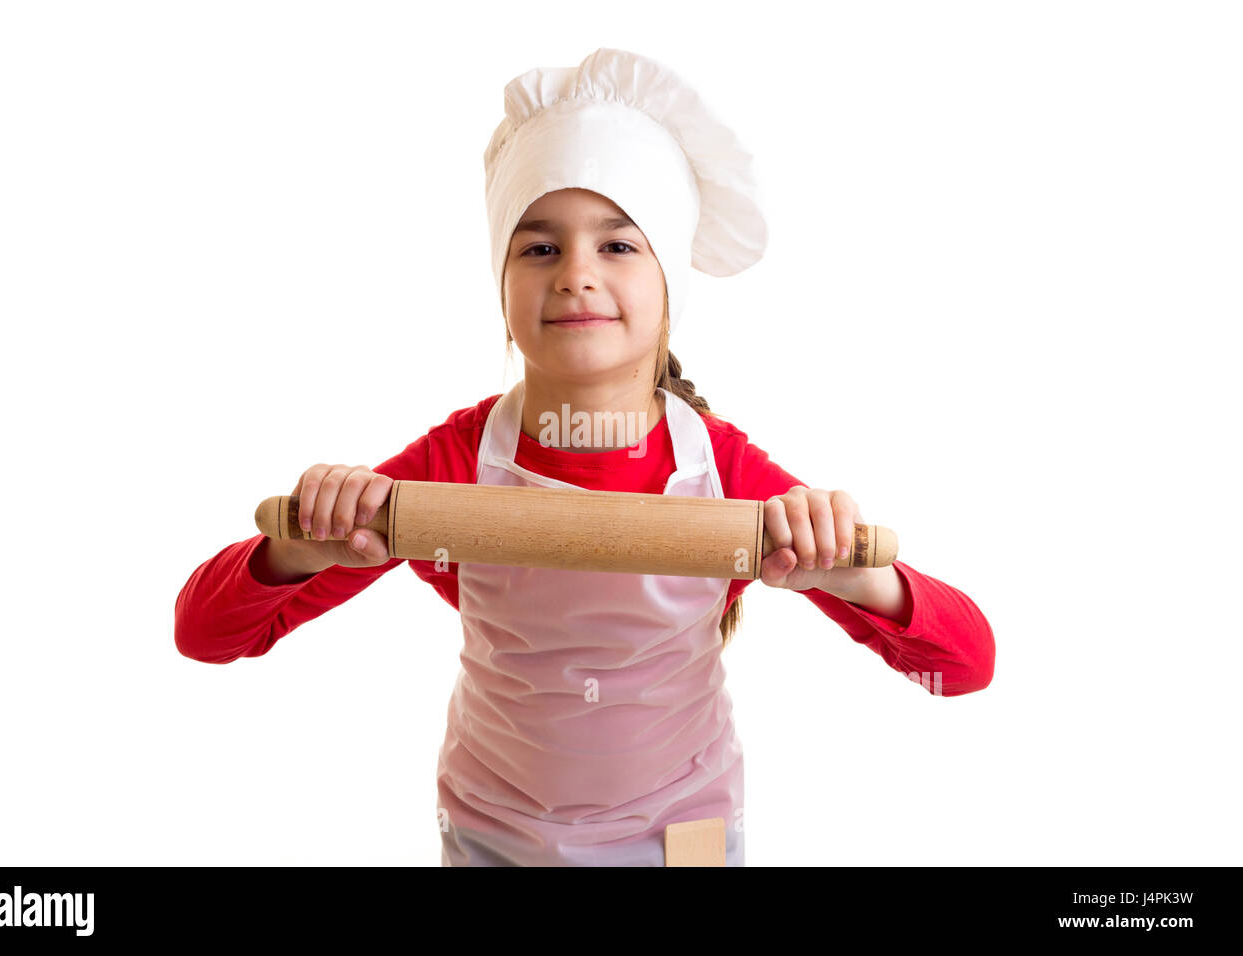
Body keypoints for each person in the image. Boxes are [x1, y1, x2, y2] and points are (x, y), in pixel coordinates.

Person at [174, 48, 995, 866]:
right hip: (493, 835)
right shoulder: (447, 473)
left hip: (684, 839)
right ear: (501, 287)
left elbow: (965, 666)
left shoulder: (723, 479)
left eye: (617, 246)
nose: (575, 276)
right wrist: (297, 547)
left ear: (669, 282)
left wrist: (846, 572)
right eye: (539, 249)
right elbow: (204, 635)